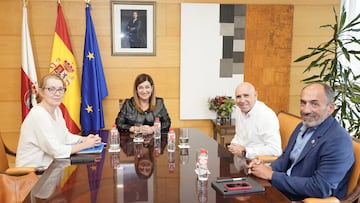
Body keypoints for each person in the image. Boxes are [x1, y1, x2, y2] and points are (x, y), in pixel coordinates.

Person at [247, 82, 355, 201]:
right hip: (282, 189)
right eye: (303, 103)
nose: (306, 110)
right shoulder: (302, 126)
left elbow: (319, 188)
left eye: (314, 104)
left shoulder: (338, 140)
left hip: (303, 199)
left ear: (330, 108)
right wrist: (265, 168)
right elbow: (285, 159)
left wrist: (272, 175)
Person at [16, 74, 101, 168]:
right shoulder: (38, 114)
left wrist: (84, 139)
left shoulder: (56, 110)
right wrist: (86, 145)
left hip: (51, 167)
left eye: (61, 89)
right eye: (51, 89)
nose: (57, 93)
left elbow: (65, 136)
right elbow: (56, 151)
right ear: (41, 92)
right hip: (33, 173)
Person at [227, 82, 282, 159]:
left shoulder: (266, 115)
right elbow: (240, 135)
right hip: (242, 159)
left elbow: (275, 150)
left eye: (246, 95)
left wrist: (245, 151)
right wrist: (233, 144)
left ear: (255, 95)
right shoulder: (239, 109)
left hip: (260, 162)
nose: (242, 100)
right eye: (238, 96)